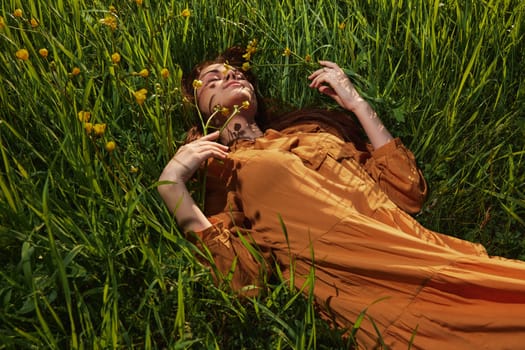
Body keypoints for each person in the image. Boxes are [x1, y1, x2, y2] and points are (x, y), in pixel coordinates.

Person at [158, 47, 525, 349]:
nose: (231, 77)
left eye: (236, 72)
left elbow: (406, 192)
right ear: (199, 106)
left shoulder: (313, 130)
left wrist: (357, 104)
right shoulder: (224, 172)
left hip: (423, 254)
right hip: (368, 294)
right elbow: (242, 280)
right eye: (212, 80)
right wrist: (173, 187)